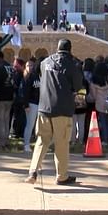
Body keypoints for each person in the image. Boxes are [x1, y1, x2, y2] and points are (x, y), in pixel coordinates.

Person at [25, 39, 82, 185]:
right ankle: (61, 176)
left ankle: (32, 172)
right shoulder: (73, 64)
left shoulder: (45, 62)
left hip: (44, 107)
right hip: (62, 109)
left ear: (57, 48)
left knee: (41, 141)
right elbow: (77, 86)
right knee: (61, 142)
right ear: (70, 49)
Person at [0, 51, 16, 150]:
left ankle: (0, 141)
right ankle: (6, 140)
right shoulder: (10, 67)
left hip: (0, 97)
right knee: (6, 119)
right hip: (10, 97)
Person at [88, 60, 108, 147]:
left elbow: (93, 95)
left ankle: (105, 140)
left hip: (99, 103)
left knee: (103, 122)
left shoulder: (94, 81)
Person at [22, 58, 41, 153]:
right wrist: (26, 105)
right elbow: (25, 92)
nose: (31, 67)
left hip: (40, 104)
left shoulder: (40, 77)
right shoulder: (29, 77)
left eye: (32, 65)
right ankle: (26, 144)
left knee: (40, 126)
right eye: (29, 65)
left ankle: (39, 144)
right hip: (31, 103)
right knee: (30, 124)